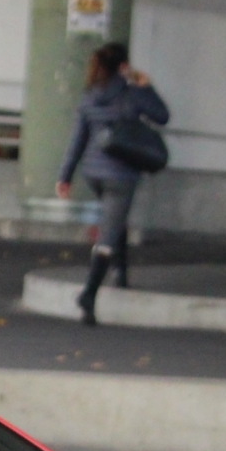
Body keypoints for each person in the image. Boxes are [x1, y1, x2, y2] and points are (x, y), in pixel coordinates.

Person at [54, 41, 169, 324]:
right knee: (109, 230)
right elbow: (162, 116)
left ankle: (121, 273)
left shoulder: (89, 98)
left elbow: (77, 140)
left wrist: (65, 176)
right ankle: (89, 294)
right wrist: (145, 85)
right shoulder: (132, 95)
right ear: (123, 66)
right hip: (121, 174)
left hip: (93, 173)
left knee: (114, 220)